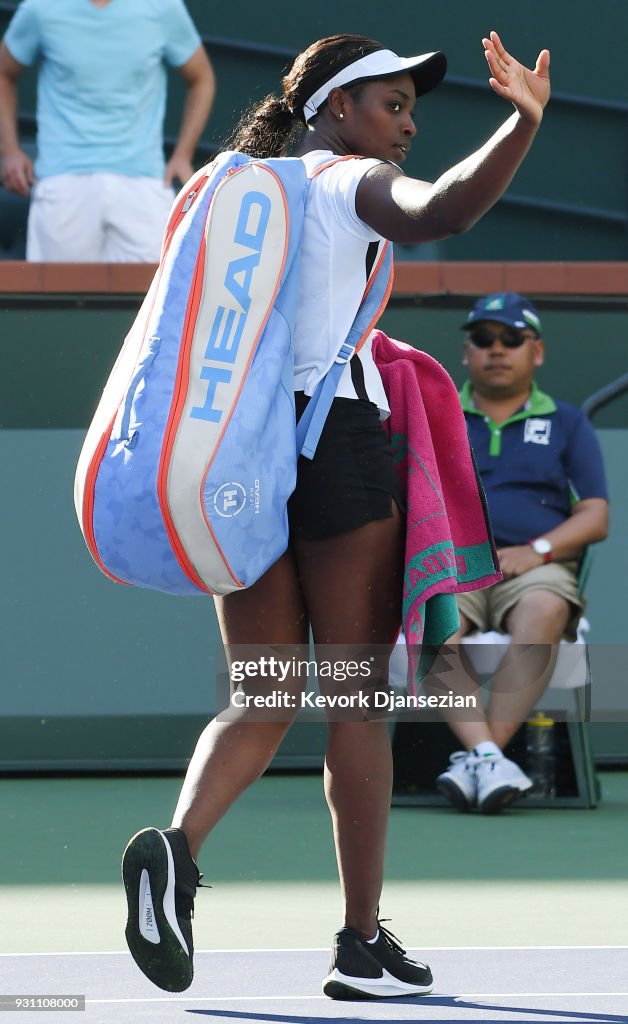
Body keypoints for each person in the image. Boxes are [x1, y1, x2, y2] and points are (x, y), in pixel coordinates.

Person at [119, 32, 551, 999]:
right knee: (358, 702)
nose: (403, 127)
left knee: (264, 693)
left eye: (410, 111)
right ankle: (360, 944)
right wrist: (523, 122)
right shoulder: (341, 183)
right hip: (341, 448)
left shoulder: (248, 196)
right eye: (389, 106)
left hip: (243, 454)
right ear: (333, 109)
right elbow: (443, 210)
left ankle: (175, 853)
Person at [435, 292, 609, 814]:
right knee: (427, 615)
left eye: (512, 339)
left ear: (537, 352)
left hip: (533, 571)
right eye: (484, 339)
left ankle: (479, 759)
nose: (497, 349)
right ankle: (491, 759)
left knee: (547, 608)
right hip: (453, 566)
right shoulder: (437, 415)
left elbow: (595, 516)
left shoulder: (567, 421)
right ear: (466, 352)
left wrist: (537, 550)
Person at [0, 0, 215, 262]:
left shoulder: (162, 7)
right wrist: (9, 150)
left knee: (152, 297)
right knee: (58, 300)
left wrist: (183, 154)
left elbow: (202, 78)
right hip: (63, 181)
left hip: (144, 181)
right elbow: (4, 72)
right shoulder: (41, 8)